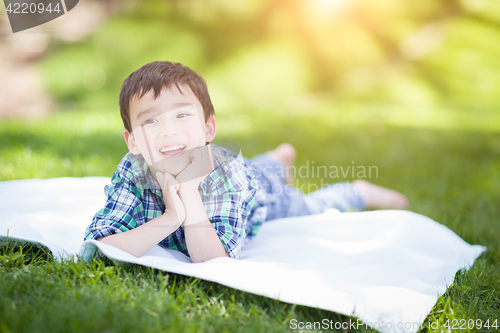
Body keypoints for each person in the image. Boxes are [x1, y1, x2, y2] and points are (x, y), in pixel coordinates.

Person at [84, 61, 408, 263]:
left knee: (308, 207)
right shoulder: (133, 171)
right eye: (151, 121)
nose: (168, 130)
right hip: (247, 171)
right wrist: (172, 217)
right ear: (134, 142)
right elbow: (101, 245)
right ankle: (278, 160)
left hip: (258, 196)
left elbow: (214, 261)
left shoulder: (231, 177)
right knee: (263, 168)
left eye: (182, 115)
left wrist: (190, 198)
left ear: (208, 128)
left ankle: (358, 192)